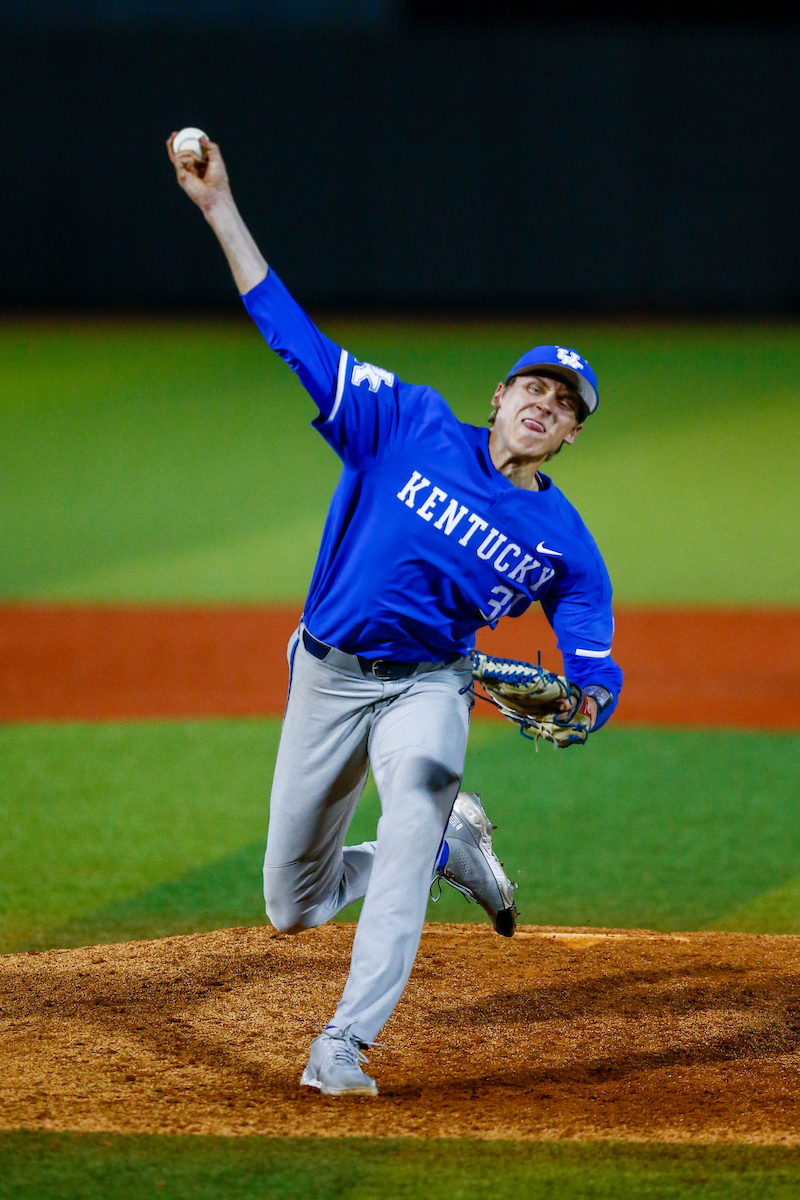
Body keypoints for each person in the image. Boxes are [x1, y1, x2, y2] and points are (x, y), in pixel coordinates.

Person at [167, 133, 623, 1098]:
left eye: (564, 402)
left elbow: (591, 658)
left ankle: (343, 1046)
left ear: (573, 432)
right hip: (326, 672)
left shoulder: (564, 544)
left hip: (430, 689)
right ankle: (450, 845)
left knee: (413, 803)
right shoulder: (404, 421)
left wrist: (588, 700)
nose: (544, 404)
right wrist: (220, 211)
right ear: (498, 398)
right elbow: (297, 336)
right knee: (294, 904)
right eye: (533, 386)